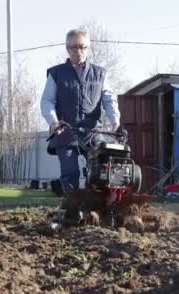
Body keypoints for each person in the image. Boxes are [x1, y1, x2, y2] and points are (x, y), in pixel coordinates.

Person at [41, 28, 121, 195]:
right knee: (70, 173)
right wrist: (54, 122)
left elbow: (108, 98)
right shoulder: (56, 74)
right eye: (74, 47)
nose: (78, 51)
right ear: (67, 48)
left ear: (87, 47)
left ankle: (99, 206)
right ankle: (73, 209)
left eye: (82, 47)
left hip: (92, 131)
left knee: (102, 170)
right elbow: (47, 101)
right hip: (66, 130)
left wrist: (115, 120)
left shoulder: (99, 74)